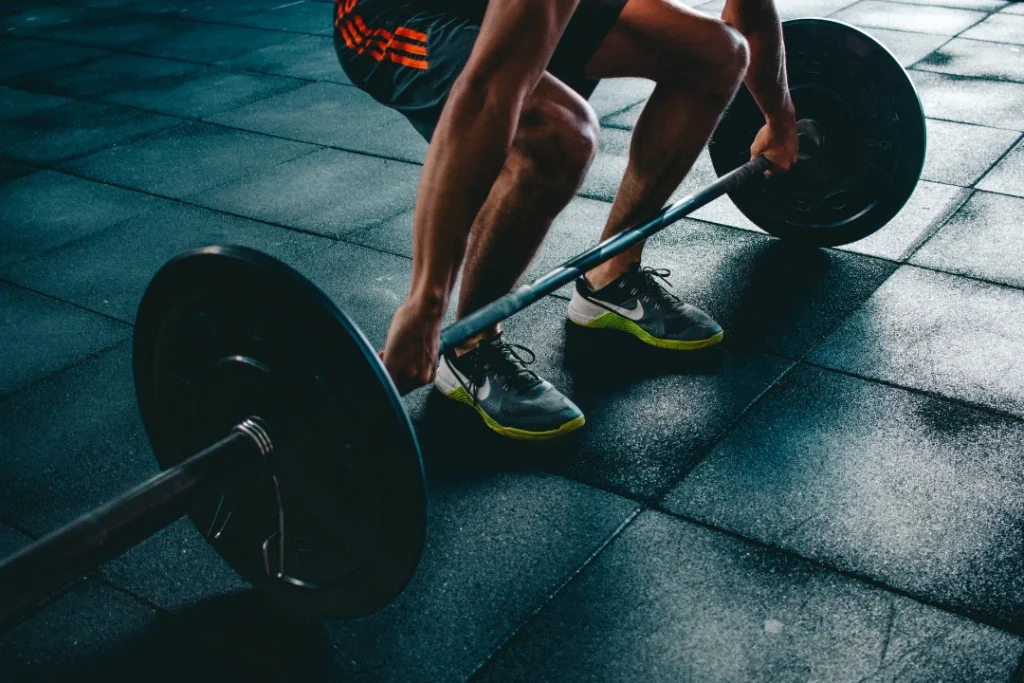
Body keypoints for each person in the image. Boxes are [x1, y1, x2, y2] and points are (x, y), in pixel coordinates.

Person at [334, 0, 798, 439]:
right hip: (394, 14)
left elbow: (750, 15)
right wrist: (425, 303)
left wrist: (780, 119)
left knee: (717, 54)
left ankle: (610, 277)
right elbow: (489, 91)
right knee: (561, 133)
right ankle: (470, 347)